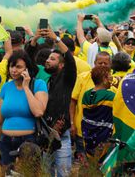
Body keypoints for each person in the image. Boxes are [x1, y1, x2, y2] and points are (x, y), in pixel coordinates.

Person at [0, 51, 48, 172]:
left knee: (28, 173)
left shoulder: (38, 84)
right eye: (12, 66)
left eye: (18, 67)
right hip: (6, 141)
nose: (14, 70)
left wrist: (26, 87)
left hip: (28, 142)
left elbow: (38, 111)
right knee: (7, 174)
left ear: (27, 68)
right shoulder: (6, 87)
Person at [42, 29, 77, 177]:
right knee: (45, 173)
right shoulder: (49, 81)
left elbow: (70, 58)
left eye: (52, 59)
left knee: (63, 174)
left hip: (61, 136)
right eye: (48, 58)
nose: (47, 61)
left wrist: (56, 39)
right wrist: (34, 38)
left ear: (61, 65)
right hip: (46, 135)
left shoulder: (67, 79)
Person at [70, 52, 113, 163]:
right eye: (100, 63)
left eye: (106, 63)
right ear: (94, 63)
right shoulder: (82, 77)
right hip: (84, 131)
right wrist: (72, 124)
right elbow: (73, 101)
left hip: (106, 134)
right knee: (84, 165)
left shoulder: (113, 80)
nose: (103, 65)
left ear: (110, 65)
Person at [81, 66, 115, 155]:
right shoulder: (110, 96)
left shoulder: (86, 95)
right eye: (110, 76)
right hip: (104, 137)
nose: (111, 79)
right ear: (104, 79)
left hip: (88, 136)